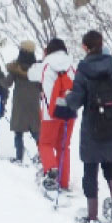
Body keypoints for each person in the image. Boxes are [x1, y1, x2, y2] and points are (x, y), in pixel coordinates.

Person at [63, 30, 112, 223]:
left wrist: (68, 98)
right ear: (102, 44)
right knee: (110, 164)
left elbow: (75, 102)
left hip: (92, 127)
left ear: (85, 47)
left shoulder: (83, 70)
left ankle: (92, 215)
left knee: (90, 168)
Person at [27, 38, 76, 191]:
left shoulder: (45, 64)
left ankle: (51, 169)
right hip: (69, 111)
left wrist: (42, 57)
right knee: (63, 147)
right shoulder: (72, 64)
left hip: (51, 113)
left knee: (45, 143)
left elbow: (30, 74)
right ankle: (63, 181)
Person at [1, 40, 41, 163]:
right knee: (35, 131)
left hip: (19, 103)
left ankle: (19, 157)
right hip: (34, 102)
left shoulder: (16, 68)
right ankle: (43, 155)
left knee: (18, 132)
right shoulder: (38, 68)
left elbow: (6, 83)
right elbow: (42, 86)